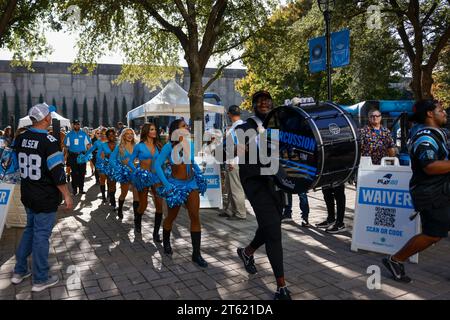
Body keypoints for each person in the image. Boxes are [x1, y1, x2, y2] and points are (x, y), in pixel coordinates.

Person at [227, 90, 291, 300]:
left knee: (270, 224)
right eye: (260, 100)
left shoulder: (279, 125)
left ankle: (246, 253)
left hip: (276, 182)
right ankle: (281, 286)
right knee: (273, 231)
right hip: (255, 183)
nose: (264, 102)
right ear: (254, 105)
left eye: (268, 100)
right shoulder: (244, 127)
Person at [382, 99, 450, 283]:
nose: (444, 113)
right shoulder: (425, 137)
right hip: (430, 193)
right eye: (441, 109)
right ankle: (395, 260)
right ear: (430, 113)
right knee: (433, 234)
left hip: (442, 189)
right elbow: (431, 166)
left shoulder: (439, 133)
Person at [10, 103, 73, 292]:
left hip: (28, 193)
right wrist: (67, 195)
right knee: (40, 236)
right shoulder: (49, 140)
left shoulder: (20, 137)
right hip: (44, 196)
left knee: (30, 230)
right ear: (46, 119)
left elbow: (14, 164)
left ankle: (19, 271)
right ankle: (40, 279)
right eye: (50, 115)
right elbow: (57, 174)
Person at [154, 119, 208, 268]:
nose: (187, 128)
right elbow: (157, 165)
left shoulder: (190, 144)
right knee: (171, 217)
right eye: (183, 126)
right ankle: (166, 242)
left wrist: (199, 172)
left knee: (195, 216)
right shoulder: (168, 147)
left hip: (191, 184)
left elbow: (191, 161)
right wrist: (167, 184)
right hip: (176, 186)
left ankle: (196, 254)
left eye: (186, 126)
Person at [128, 123, 163, 238]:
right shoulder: (139, 146)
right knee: (143, 205)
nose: (155, 131)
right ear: (147, 131)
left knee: (159, 205)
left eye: (155, 129)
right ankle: (137, 220)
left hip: (156, 177)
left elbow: (164, 159)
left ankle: (156, 232)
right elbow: (130, 162)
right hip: (143, 176)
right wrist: (137, 171)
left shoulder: (158, 145)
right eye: (152, 129)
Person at [219, 105, 247, 221]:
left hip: (235, 161)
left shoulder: (237, 128)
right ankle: (229, 209)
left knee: (236, 188)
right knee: (230, 188)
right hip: (236, 160)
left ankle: (240, 213)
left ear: (229, 114)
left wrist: (232, 162)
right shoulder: (242, 126)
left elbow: (239, 146)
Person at [64, 119, 91, 195]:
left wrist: (89, 155)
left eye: (78, 124)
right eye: (75, 124)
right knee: (74, 173)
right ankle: (74, 189)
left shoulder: (84, 134)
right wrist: (65, 156)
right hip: (72, 156)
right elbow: (66, 146)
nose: (77, 125)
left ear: (80, 125)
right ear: (73, 125)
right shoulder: (69, 135)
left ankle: (81, 189)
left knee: (82, 173)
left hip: (82, 155)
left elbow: (88, 145)